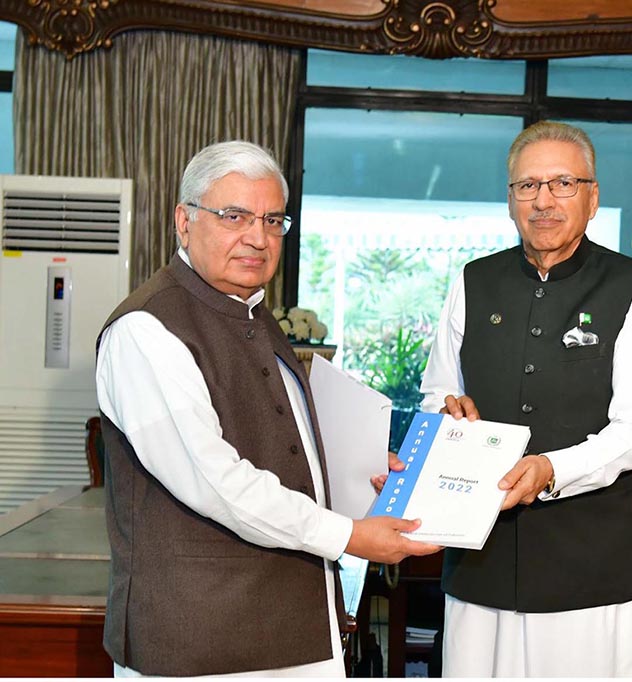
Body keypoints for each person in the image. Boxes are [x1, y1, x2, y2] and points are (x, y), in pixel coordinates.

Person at [95, 140, 439, 678]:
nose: (257, 237)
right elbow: (216, 482)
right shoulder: (146, 330)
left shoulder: (253, 313)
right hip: (201, 640)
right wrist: (349, 536)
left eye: (273, 219)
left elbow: (282, 441)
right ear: (184, 221)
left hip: (291, 625)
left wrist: (356, 471)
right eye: (234, 216)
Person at [419, 121, 632, 677]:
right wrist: (449, 413)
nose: (544, 201)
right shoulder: (472, 281)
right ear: (510, 201)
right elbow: (439, 390)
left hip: (587, 568)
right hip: (478, 558)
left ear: (593, 197)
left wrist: (550, 470)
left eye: (563, 183)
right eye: (527, 186)